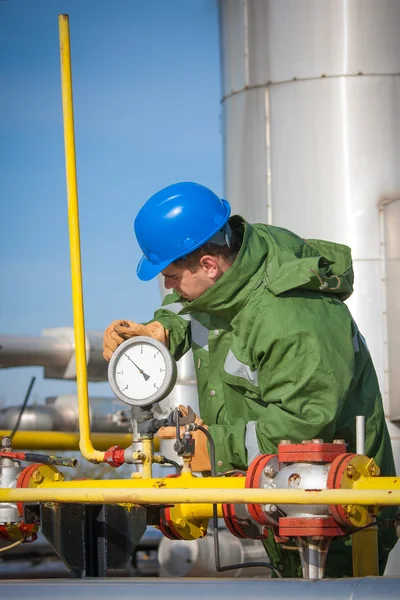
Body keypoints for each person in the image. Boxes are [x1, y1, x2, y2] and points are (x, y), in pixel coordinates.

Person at [103, 181, 397, 577]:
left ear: (208, 264)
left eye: (171, 275)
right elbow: (193, 304)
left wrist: (215, 443)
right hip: (282, 494)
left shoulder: (290, 317)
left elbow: (306, 422)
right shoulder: (237, 260)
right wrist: (161, 329)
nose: (168, 287)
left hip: (335, 506)